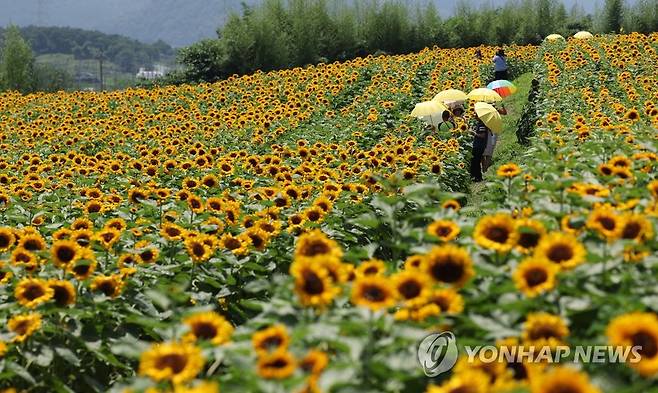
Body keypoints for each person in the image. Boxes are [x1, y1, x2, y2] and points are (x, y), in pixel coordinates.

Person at [470, 117, 490, 182]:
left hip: (479, 146)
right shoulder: (479, 124)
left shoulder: (482, 125)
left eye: (476, 115)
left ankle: (478, 177)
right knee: (475, 161)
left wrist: (474, 133)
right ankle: (476, 176)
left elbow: (482, 136)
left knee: (476, 161)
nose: (475, 116)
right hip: (478, 145)